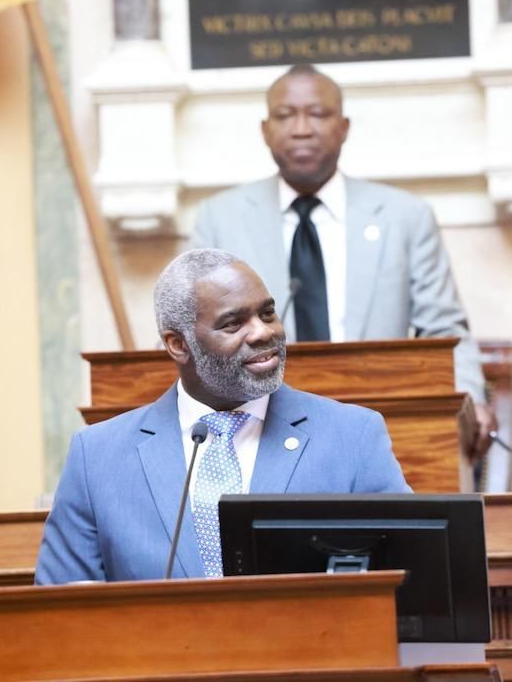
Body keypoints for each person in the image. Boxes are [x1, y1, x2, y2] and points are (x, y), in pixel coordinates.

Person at [35, 249, 410, 584]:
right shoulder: (96, 457)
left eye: (267, 313)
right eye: (233, 323)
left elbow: (406, 578)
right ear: (178, 344)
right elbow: (61, 614)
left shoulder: (353, 437)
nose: (263, 332)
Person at [190, 64, 496, 463]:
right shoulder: (219, 219)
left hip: (384, 425)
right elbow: (194, 331)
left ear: (344, 127)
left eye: (318, 114)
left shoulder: (405, 216)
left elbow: (444, 328)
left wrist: (470, 398)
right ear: (265, 130)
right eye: (285, 115)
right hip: (257, 429)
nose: (302, 129)